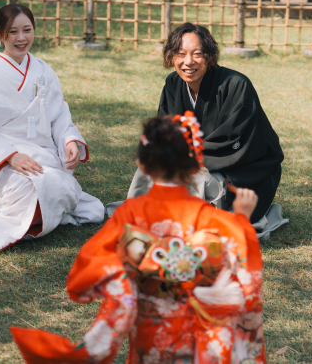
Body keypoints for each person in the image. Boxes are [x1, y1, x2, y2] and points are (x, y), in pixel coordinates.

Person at [10, 113, 266, 364]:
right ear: (195, 170)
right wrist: (242, 217)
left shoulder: (130, 214)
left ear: (142, 165)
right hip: (199, 335)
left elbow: (90, 268)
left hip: (150, 331)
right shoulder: (215, 220)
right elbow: (242, 263)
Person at [0, 4, 104, 253]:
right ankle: (5, 219)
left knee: (57, 185)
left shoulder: (44, 71)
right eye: (12, 32)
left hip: (42, 155)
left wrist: (69, 140)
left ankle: (31, 220)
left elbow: (59, 116)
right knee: (32, 187)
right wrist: (11, 156)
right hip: (0, 159)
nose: (21, 38)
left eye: (27, 30)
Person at [114, 23, 287, 238]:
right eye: (180, 54)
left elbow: (236, 141)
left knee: (199, 180)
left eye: (197, 54)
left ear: (210, 56)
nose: (188, 62)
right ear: (171, 57)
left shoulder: (236, 85)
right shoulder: (172, 84)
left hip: (242, 171)